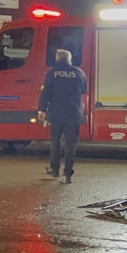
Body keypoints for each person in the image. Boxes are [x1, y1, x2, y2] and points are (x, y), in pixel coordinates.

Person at [38, 49, 89, 183]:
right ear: (69, 59)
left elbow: (46, 93)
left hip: (56, 113)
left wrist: (41, 110)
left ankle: (54, 169)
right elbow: (84, 89)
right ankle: (67, 174)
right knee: (70, 145)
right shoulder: (78, 72)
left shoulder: (51, 73)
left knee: (55, 142)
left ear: (57, 59)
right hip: (73, 113)